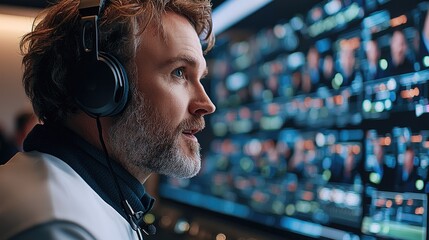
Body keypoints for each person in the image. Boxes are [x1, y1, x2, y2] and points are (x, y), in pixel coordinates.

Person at [0, 0, 216, 239]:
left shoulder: (102, 200)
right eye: (179, 72)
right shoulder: (59, 225)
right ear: (100, 86)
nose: (206, 105)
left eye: (200, 78)